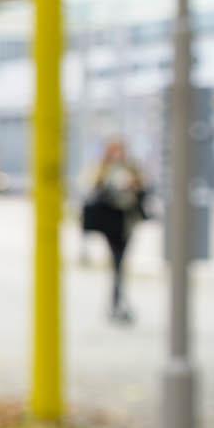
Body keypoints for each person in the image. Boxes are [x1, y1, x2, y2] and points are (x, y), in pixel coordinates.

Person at [81, 136, 149, 324]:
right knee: (117, 261)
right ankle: (117, 302)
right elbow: (92, 189)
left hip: (127, 222)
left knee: (120, 262)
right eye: (115, 149)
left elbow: (144, 190)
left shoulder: (132, 167)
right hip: (109, 223)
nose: (118, 153)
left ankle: (117, 301)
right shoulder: (102, 169)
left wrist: (134, 184)